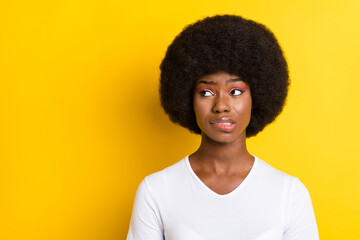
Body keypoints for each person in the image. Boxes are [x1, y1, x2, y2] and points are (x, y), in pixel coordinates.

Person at [126, 15, 319, 240]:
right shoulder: (157, 190)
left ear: (256, 97)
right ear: (188, 100)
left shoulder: (289, 193)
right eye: (206, 93)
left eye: (235, 92)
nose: (221, 106)